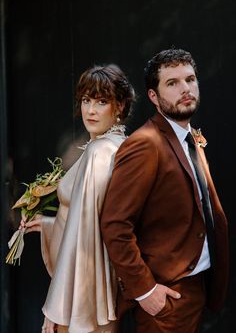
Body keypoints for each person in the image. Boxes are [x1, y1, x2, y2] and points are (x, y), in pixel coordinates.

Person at [100, 48, 229, 333]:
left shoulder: (189, 137)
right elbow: (114, 224)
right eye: (172, 83)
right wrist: (146, 292)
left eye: (190, 79)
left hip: (198, 289)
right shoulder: (146, 143)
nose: (186, 89)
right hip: (165, 301)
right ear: (154, 97)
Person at [21, 64, 135, 333]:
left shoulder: (100, 152)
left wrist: (56, 308)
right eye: (86, 100)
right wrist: (50, 225)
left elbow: (84, 238)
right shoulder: (111, 146)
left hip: (83, 296)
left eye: (101, 101)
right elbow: (86, 222)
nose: (91, 110)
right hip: (87, 288)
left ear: (119, 106)